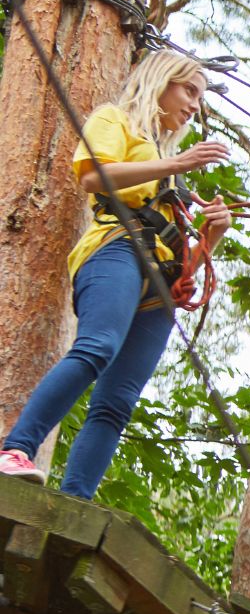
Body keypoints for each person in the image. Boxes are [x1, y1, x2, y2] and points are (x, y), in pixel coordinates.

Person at [0, 50, 232, 496]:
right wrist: (175, 165)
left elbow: (185, 268)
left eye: (200, 97)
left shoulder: (171, 170)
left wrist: (210, 237)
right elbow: (93, 177)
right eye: (189, 90)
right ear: (161, 81)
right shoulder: (115, 121)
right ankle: (17, 448)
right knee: (97, 347)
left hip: (161, 286)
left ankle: (76, 500)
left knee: (117, 403)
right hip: (115, 250)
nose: (194, 105)